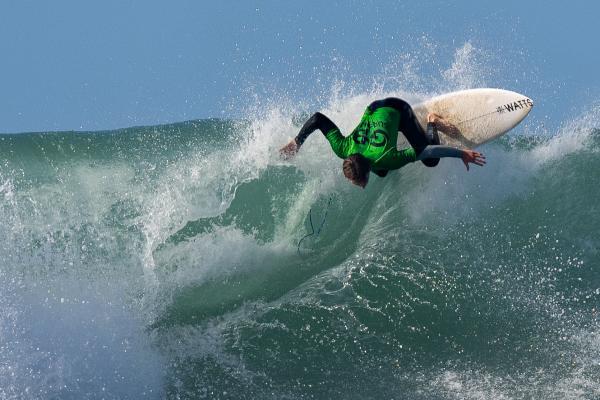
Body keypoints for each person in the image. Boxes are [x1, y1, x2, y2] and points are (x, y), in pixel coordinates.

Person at [280, 97, 485, 188]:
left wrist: (462, 154)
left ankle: (432, 121)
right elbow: (317, 118)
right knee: (383, 172)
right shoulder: (343, 148)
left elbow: (429, 151)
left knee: (430, 162)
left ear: (365, 171)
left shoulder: (387, 158)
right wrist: (296, 143)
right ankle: (394, 131)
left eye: (358, 182)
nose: (359, 186)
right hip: (375, 106)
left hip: (399, 108)